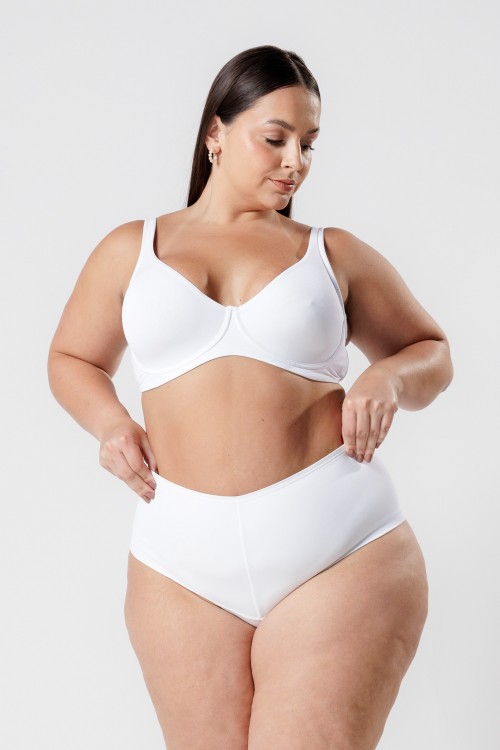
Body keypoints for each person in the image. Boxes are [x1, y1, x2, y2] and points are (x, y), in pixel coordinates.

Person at [47, 44, 453, 750]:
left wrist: (385, 377)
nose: (296, 161)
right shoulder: (131, 250)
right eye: (276, 139)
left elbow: (432, 352)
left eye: (309, 144)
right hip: (179, 566)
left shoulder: (331, 253)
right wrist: (110, 425)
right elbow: (71, 358)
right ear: (216, 133)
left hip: (339, 552)